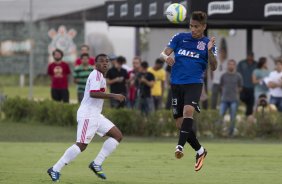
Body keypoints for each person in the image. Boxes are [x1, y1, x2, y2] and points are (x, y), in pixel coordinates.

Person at [47, 54, 126, 182]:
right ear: (96, 64)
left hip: (95, 115)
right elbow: (93, 93)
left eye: (107, 61)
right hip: (88, 115)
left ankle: (96, 163)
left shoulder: (101, 76)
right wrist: (114, 96)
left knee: (117, 135)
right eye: (102, 61)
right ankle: (55, 169)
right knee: (81, 145)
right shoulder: (95, 74)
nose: (105, 63)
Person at [160, 11, 217, 171]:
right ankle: (200, 151)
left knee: (188, 112)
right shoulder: (179, 37)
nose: (193, 29)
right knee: (180, 123)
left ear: (204, 27)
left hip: (194, 83)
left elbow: (214, 66)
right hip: (176, 84)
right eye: (191, 26)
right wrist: (167, 58)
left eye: (197, 27)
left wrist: (210, 51)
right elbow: (164, 53)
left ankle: (179, 147)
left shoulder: (209, 43)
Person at [218, 59, 243, 136]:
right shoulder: (223, 75)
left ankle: (231, 133)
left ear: (235, 66)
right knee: (220, 115)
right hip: (224, 99)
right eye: (229, 64)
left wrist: (236, 92)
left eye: (232, 64)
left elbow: (240, 87)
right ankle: (218, 132)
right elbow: (221, 86)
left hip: (234, 100)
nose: (231, 66)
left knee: (233, 117)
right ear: (227, 66)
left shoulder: (238, 76)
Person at [237, 51, 257, 116]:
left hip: (252, 87)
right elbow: (238, 74)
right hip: (243, 87)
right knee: (241, 101)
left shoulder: (256, 64)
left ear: (253, 57)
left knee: (250, 104)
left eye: (252, 56)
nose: (250, 58)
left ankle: (248, 117)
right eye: (249, 56)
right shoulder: (241, 63)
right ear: (247, 56)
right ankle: (241, 115)